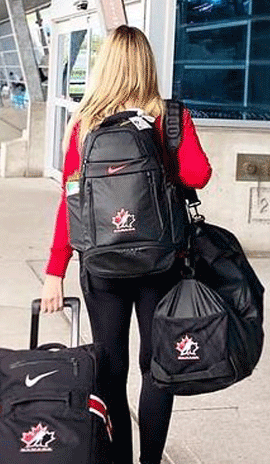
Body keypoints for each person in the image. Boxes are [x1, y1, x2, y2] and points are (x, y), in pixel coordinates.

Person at [40, 25, 212, 464]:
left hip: (102, 263)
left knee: (110, 369)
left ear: (104, 67)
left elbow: (70, 203)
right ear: (147, 65)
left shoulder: (84, 124)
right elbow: (198, 175)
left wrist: (55, 271)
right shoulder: (169, 117)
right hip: (160, 261)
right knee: (157, 369)